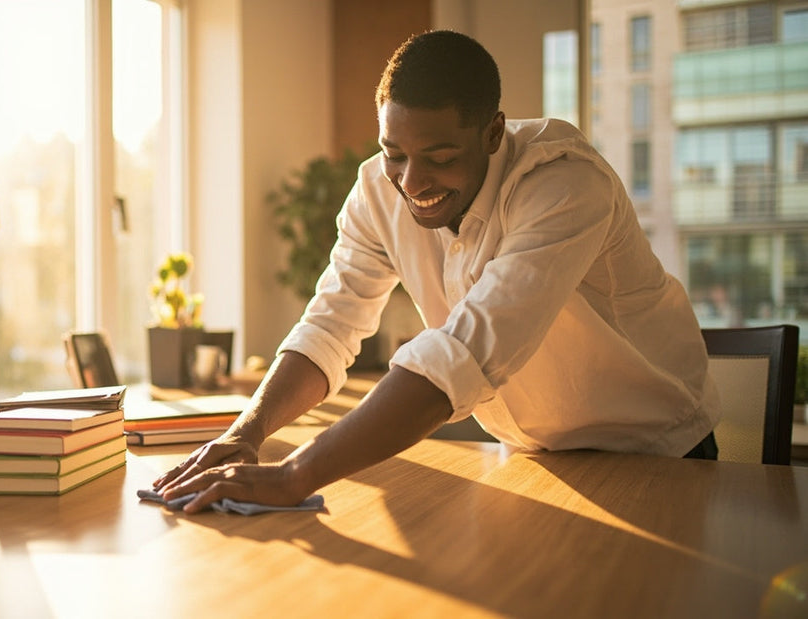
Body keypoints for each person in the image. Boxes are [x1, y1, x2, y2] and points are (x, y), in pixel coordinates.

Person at [154, 29, 720, 513]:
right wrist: (245, 433)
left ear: (493, 133)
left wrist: (295, 475)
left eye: (441, 158)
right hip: (536, 460)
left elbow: (465, 351)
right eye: (395, 153)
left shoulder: (564, 184)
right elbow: (329, 326)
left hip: (657, 457)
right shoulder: (377, 191)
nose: (412, 183)